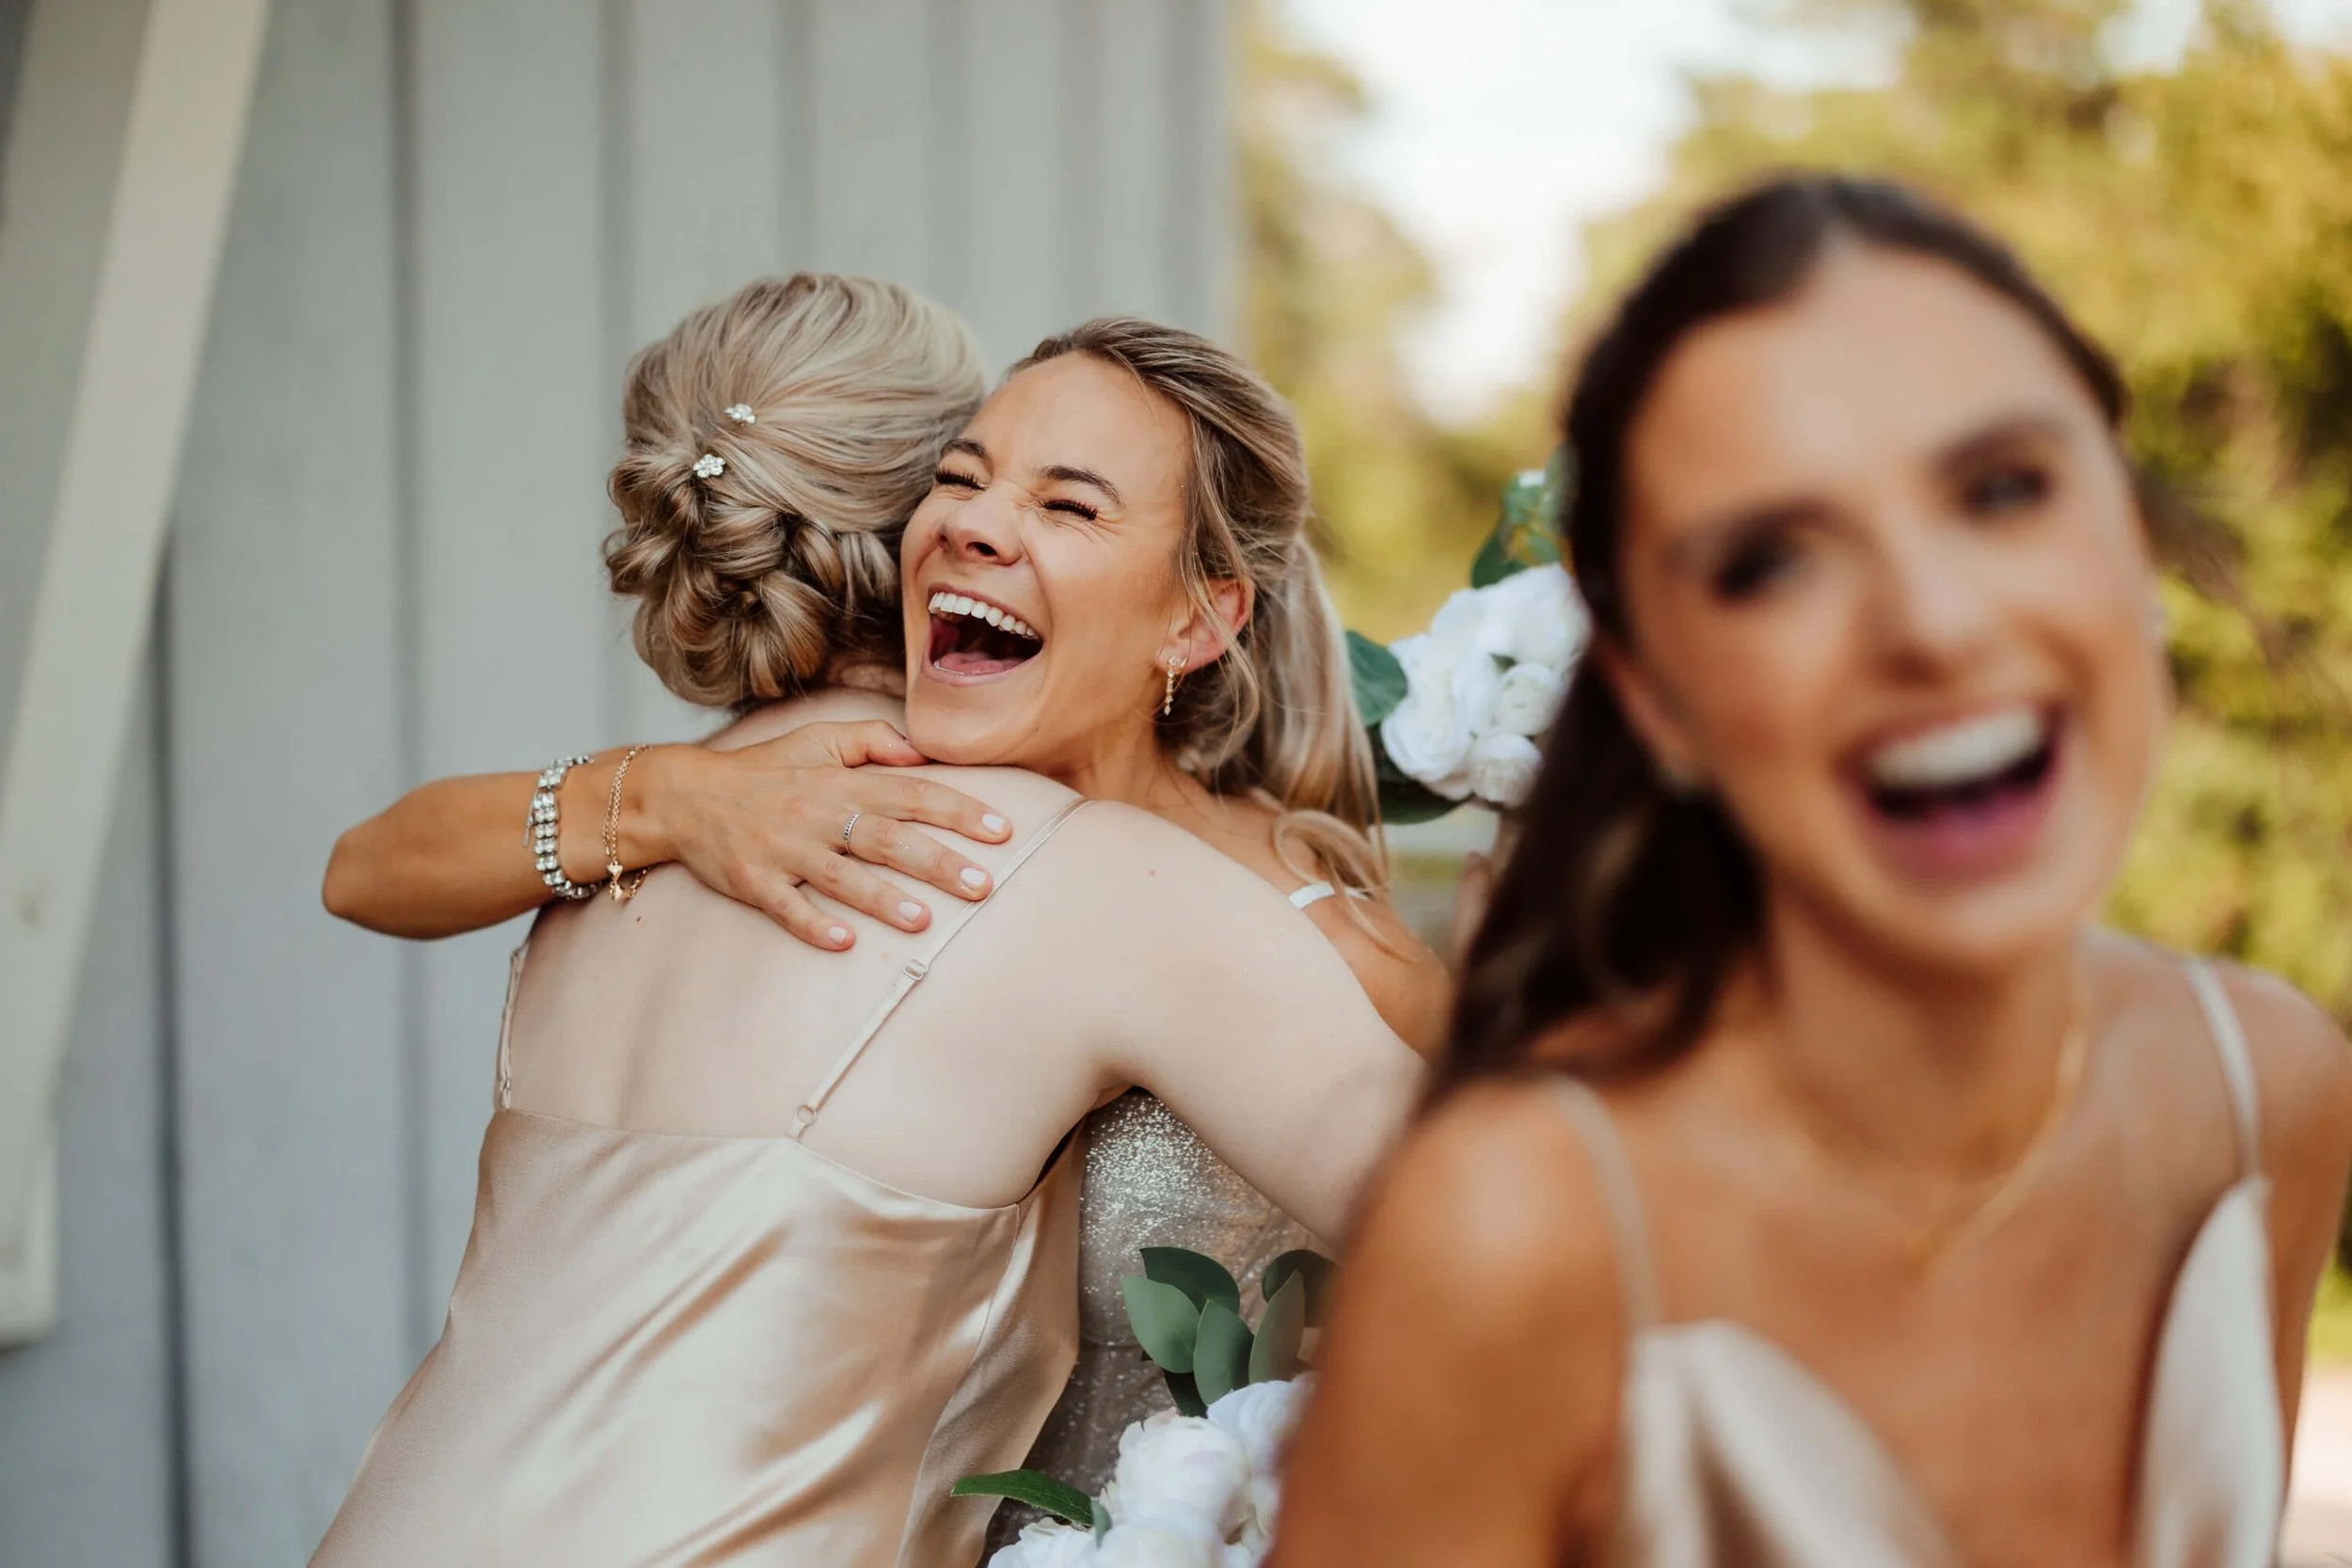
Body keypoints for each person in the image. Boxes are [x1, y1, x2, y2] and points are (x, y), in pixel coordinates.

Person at [1273, 174, 2352, 1567]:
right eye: (1771, 562)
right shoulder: (1514, 1232)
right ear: (1653, 694)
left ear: (2125, 527)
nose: (1936, 624)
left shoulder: (2263, 1091)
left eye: (2004, 488)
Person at [310, 277, 1432, 1567]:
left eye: (1066, 501)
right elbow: (1501, 1234)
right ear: (900, 515)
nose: (981, 522)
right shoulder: (1077, 879)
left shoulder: (623, 846)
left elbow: (361, 867)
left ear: (1200, 613)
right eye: (964, 476)